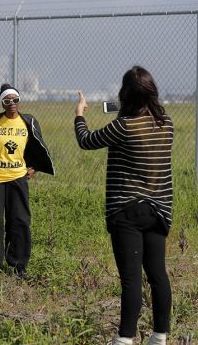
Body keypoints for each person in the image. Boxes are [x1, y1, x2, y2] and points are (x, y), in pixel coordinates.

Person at [74, 66, 173, 345]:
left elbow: (86, 140)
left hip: (127, 210)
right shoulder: (166, 123)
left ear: (125, 94)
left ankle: (125, 338)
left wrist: (79, 114)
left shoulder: (123, 126)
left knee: (130, 279)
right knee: (157, 275)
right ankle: (159, 336)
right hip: (158, 210)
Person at [0, 83, 54, 277]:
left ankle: (19, 265)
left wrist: (34, 167)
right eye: (7, 101)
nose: (12, 104)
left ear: (19, 101)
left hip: (17, 177)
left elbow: (36, 145)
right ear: (2, 103)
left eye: (15, 100)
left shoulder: (28, 121)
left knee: (20, 220)